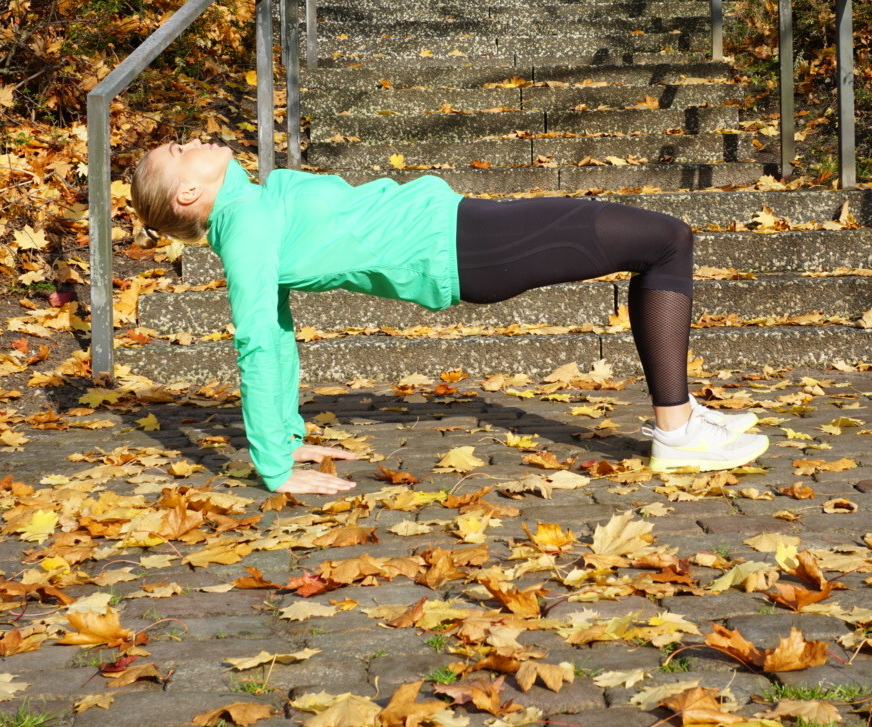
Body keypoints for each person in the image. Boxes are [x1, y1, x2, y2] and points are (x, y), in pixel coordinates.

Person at [130, 138, 768, 494]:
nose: (193, 140)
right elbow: (261, 342)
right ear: (189, 192)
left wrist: (295, 437)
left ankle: (681, 419)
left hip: (465, 230)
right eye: (180, 149)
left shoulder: (254, 204)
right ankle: (677, 432)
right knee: (666, 239)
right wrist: (275, 466)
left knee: (662, 240)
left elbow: (282, 329)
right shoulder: (243, 228)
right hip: (465, 251)